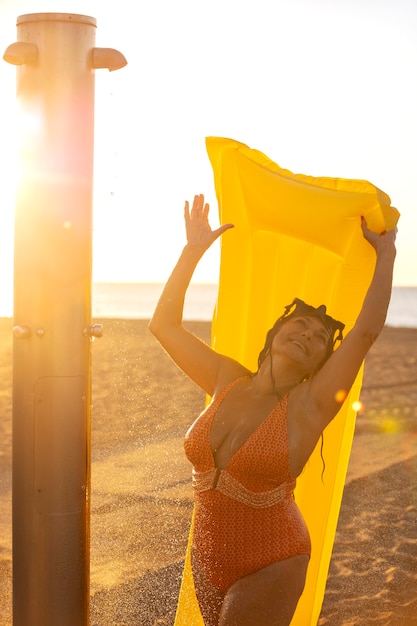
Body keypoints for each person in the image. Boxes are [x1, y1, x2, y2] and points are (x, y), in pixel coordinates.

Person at [149, 193, 397, 626]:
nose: (307, 333)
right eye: (299, 324)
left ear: (321, 362)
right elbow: (163, 326)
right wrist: (192, 252)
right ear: (275, 333)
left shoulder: (310, 404)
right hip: (208, 559)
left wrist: (387, 253)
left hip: (273, 557)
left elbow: (364, 332)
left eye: (319, 336)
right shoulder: (227, 379)